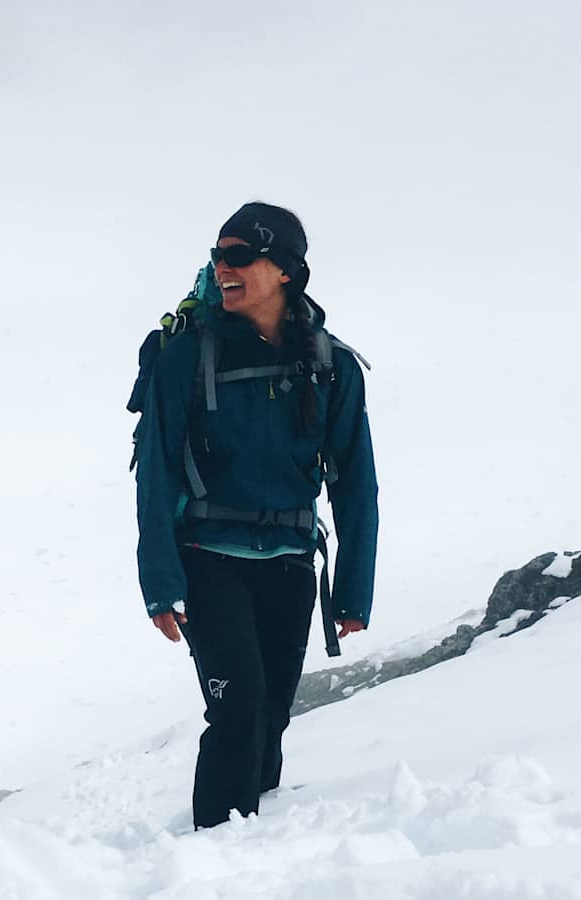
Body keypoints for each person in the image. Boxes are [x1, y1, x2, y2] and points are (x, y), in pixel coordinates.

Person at [133, 201, 379, 829]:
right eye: (218, 256)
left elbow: (355, 483)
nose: (223, 268)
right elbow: (156, 472)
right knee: (237, 710)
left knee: (269, 715)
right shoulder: (185, 358)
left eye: (239, 255)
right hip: (207, 559)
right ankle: (213, 852)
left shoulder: (332, 365)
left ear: (286, 270)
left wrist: (352, 588)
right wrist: (161, 581)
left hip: (292, 563)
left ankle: (258, 844)